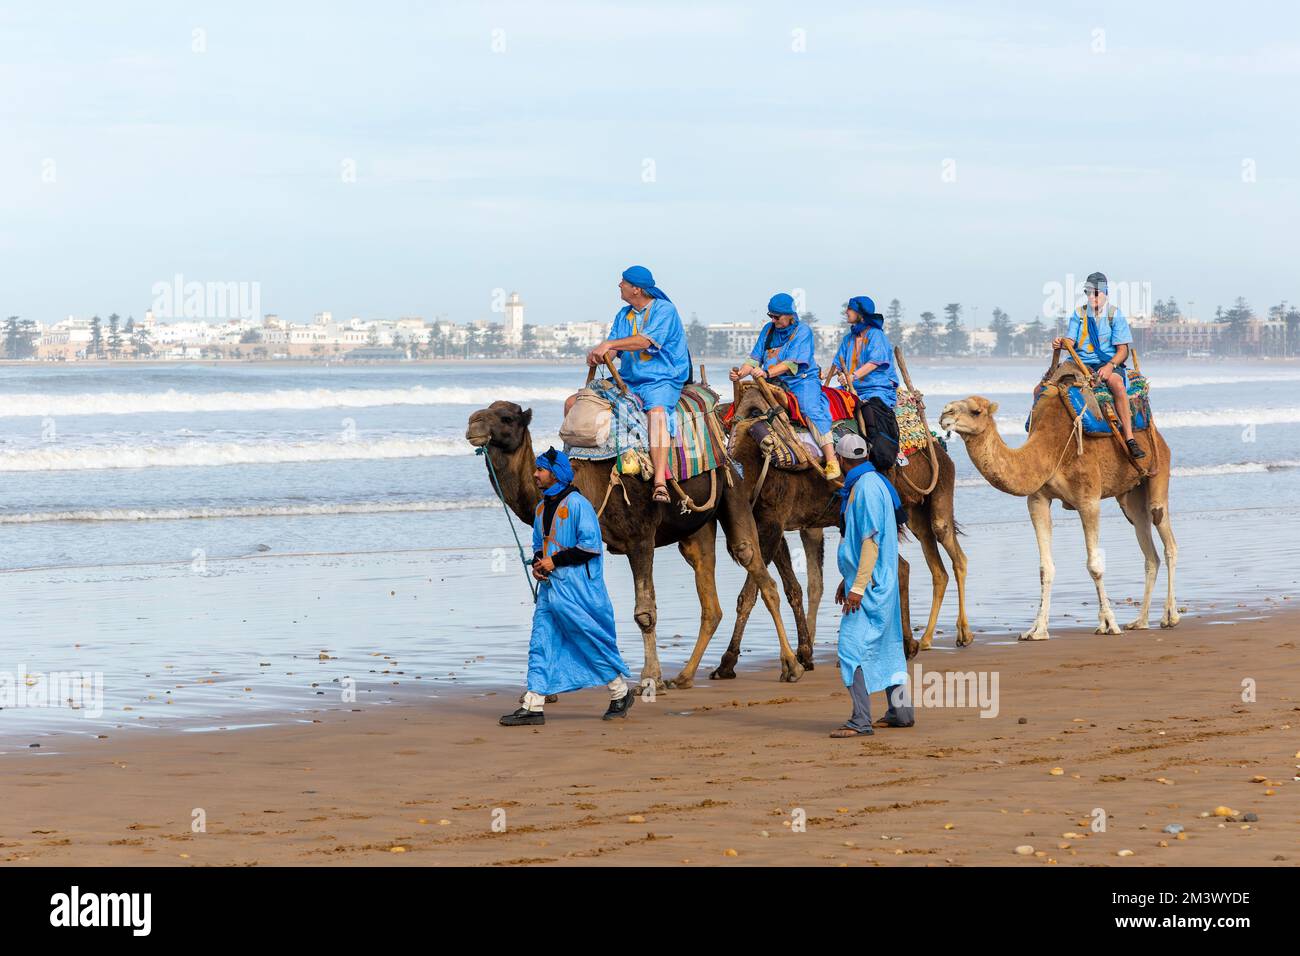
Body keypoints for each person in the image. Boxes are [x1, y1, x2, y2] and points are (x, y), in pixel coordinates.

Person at [499, 447, 635, 726]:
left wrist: (554, 561)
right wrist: (540, 563)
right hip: (551, 590)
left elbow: (590, 547)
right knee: (541, 640)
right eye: (536, 469)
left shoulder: (578, 505)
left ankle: (620, 692)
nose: (535, 474)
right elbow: (540, 545)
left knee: (586, 639)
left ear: (556, 474)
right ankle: (533, 705)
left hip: (578, 590)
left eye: (540, 470)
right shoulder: (540, 508)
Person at [829, 434, 913, 738]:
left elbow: (870, 542)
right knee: (889, 647)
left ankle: (859, 720)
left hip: (871, 586)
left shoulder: (863, 489)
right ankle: (900, 713)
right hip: (882, 581)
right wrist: (847, 578)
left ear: (840, 460)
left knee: (850, 649)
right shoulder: (876, 482)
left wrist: (857, 587)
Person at [586, 266, 692, 503]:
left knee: (657, 414)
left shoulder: (665, 310)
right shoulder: (624, 315)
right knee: (579, 402)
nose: (619, 286)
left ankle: (660, 482)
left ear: (636, 289)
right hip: (630, 380)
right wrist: (600, 354)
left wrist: (609, 344)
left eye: (623, 282)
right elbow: (613, 349)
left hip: (661, 379)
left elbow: (644, 341)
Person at [729, 292, 840, 480]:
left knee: (810, 409)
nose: (773, 320)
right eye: (770, 316)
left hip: (801, 381)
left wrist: (766, 373)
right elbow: (754, 359)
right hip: (772, 382)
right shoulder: (768, 330)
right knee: (738, 410)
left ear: (790, 315)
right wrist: (740, 373)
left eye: (776, 317)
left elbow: (792, 363)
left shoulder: (803, 331)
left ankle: (831, 460)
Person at [1051, 271, 1145, 459]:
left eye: (1095, 293)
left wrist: (1110, 366)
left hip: (1107, 362)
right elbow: (1070, 340)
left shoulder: (1114, 315)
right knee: (1045, 387)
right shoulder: (1079, 314)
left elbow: (1123, 351)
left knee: (1117, 386)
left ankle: (1129, 438)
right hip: (1079, 363)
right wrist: (1061, 343)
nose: (1091, 297)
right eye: (1088, 293)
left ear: (1105, 293)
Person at [829, 295, 901, 473]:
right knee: (828, 401)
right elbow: (836, 365)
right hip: (850, 389)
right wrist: (819, 375)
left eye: (850, 309)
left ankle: (879, 455)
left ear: (860, 313)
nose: (846, 312)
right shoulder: (848, 339)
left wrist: (851, 377)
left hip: (877, 388)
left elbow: (875, 362)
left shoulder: (877, 336)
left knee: (870, 411)